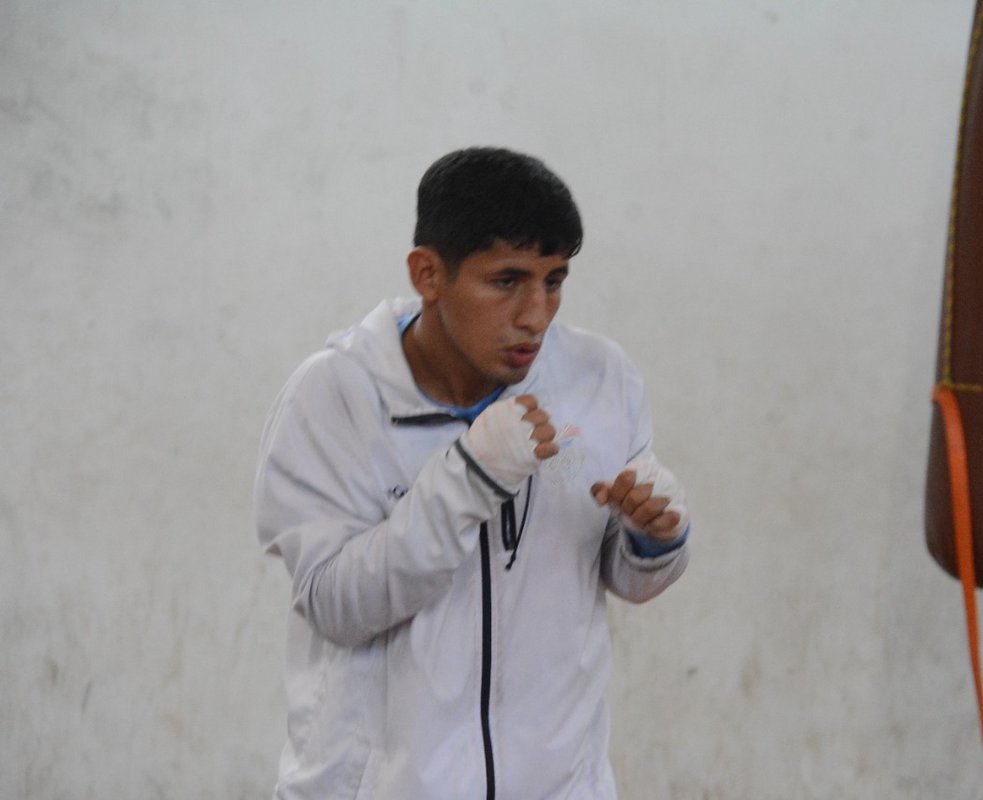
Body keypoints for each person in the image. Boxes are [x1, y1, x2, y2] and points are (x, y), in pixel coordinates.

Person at [254, 146, 691, 799]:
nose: (536, 314)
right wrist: (470, 478)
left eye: (554, 279)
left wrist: (654, 538)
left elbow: (619, 577)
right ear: (428, 274)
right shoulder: (335, 398)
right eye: (506, 280)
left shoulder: (599, 379)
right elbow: (334, 603)